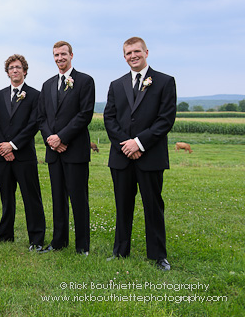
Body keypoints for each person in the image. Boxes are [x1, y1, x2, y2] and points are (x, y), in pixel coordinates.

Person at [104, 36, 176, 270]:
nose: (132, 56)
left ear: (146, 52)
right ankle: (120, 251)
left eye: (137, 51)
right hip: (121, 156)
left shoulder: (165, 82)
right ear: (124, 56)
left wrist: (139, 143)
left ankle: (158, 255)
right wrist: (126, 144)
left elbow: (165, 120)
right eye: (128, 53)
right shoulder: (116, 84)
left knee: (153, 206)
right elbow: (109, 118)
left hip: (150, 156)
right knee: (122, 205)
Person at [38, 41, 95, 255]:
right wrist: (51, 140)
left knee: (79, 198)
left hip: (75, 150)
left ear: (71, 55)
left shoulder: (85, 81)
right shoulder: (48, 84)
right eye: (56, 55)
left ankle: (82, 246)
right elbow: (41, 117)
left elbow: (85, 114)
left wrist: (62, 137)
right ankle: (58, 242)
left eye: (63, 54)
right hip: (53, 152)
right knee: (57, 198)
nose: (59, 58)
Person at [0, 54, 46, 250]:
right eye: (11, 67)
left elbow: (34, 124)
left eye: (18, 67)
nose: (15, 70)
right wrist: (3, 147)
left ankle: (36, 239)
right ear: (7, 72)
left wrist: (13, 145)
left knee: (31, 198)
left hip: (24, 156)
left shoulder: (35, 95)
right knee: (6, 197)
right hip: (2, 157)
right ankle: (5, 235)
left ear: (25, 71)